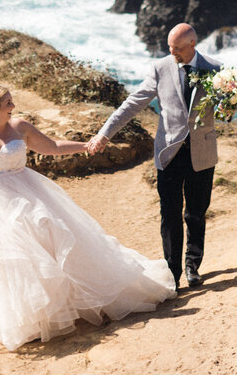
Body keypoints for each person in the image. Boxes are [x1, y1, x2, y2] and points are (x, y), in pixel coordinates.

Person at [0, 83, 175, 351]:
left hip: (26, 193)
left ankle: (59, 307)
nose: (13, 106)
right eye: (8, 102)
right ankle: (27, 320)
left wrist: (86, 146)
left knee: (48, 241)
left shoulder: (20, 127)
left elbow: (53, 146)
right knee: (10, 258)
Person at [88, 22, 219, 289]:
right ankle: (172, 273)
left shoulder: (216, 70)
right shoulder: (160, 69)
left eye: (177, 49)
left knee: (196, 213)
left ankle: (193, 265)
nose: (172, 53)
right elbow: (133, 103)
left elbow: (225, 107)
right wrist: (105, 133)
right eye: (169, 48)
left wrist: (232, 106)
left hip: (202, 153)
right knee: (169, 214)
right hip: (168, 153)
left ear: (192, 45)